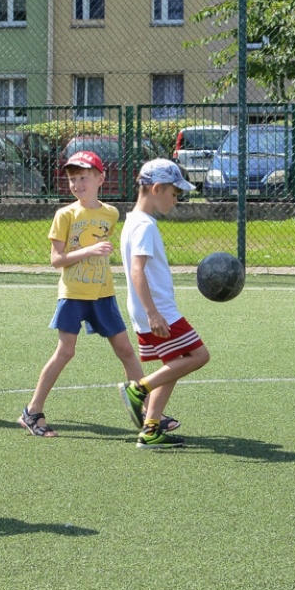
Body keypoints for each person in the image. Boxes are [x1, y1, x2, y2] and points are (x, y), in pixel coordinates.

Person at [17, 150, 148, 438]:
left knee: (126, 350)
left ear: (100, 179)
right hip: (74, 293)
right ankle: (32, 411)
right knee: (65, 351)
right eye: (73, 179)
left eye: (83, 178)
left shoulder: (110, 214)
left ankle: (150, 413)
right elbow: (56, 260)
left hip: (103, 293)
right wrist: (89, 250)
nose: (77, 184)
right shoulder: (65, 214)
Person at [120, 159, 211, 449]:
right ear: (156, 188)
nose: (176, 199)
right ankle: (139, 389)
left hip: (149, 309)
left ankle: (150, 429)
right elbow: (137, 270)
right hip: (158, 311)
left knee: (175, 363)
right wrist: (153, 313)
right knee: (199, 356)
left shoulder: (133, 221)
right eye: (174, 193)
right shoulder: (145, 226)